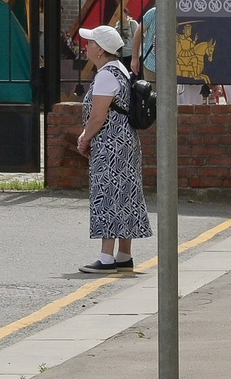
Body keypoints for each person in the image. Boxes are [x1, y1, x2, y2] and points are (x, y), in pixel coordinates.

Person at [71, 24, 148, 273]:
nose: (87, 46)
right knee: (124, 194)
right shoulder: (121, 71)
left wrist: (84, 138)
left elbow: (98, 116)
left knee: (108, 195)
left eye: (91, 42)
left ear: (101, 51)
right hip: (126, 142)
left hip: (110, 144)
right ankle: (124, 255)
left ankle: (106, 258)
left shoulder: (105, 75)